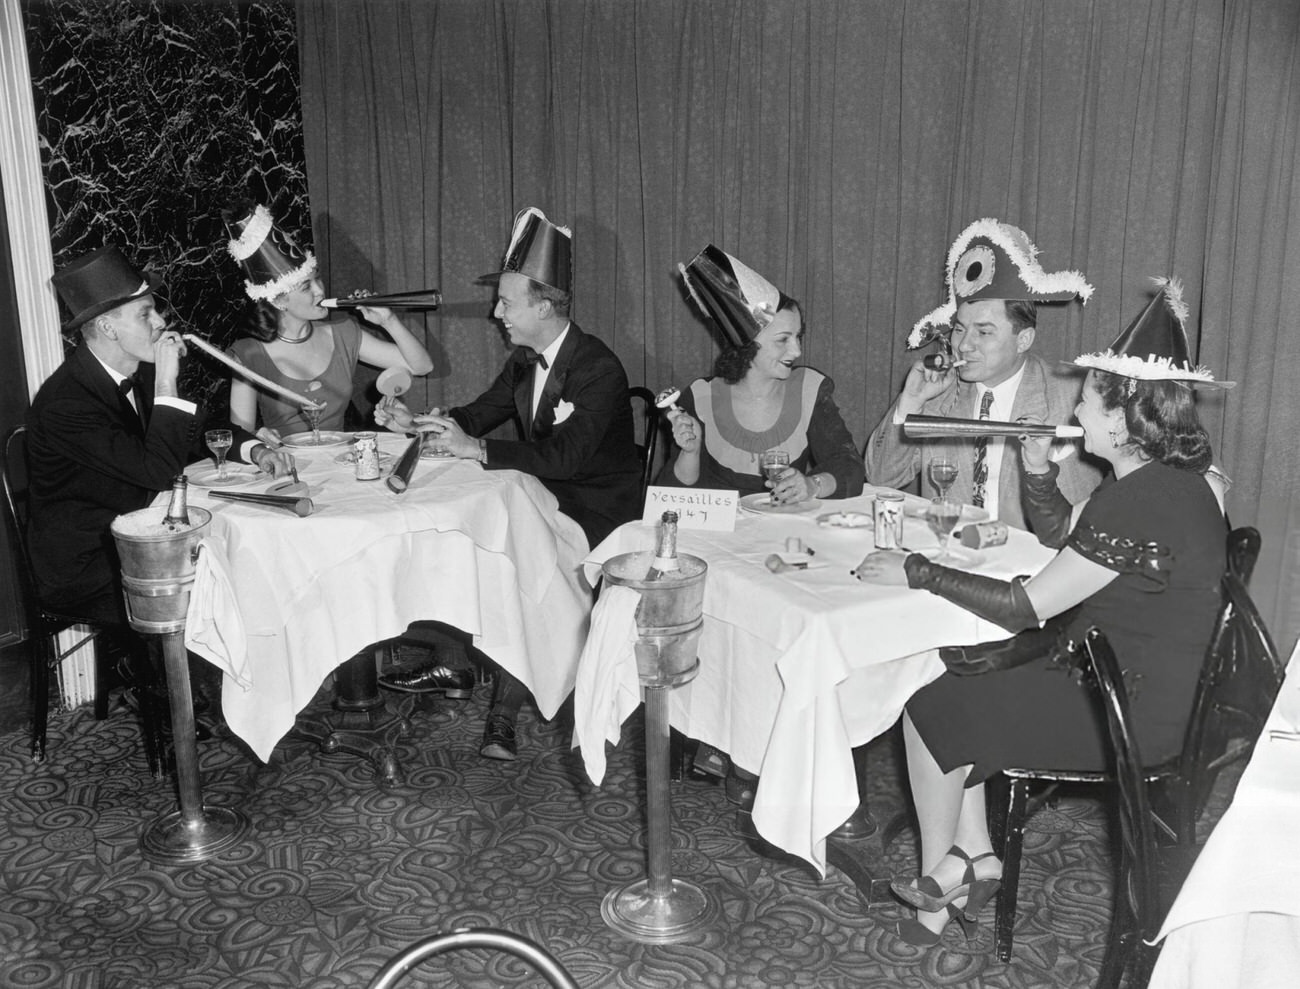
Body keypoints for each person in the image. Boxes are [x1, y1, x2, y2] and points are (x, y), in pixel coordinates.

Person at [852, 277, 1232, 948]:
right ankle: (971, 857)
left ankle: (951, 878)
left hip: (1125, 711)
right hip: (1131, 679)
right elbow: (1063, 535)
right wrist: (1036, 474)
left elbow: (1027, 605)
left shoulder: (1138, 499)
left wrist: (916, 569)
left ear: (1121, 418)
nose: (1078, 412)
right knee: (955, 677)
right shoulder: (1162, 481)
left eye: (1087, 401)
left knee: (928, 700)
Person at [375, 206, 642, 761]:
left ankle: (498, 704)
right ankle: (466, 667)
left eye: (507, 302)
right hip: (546, 495)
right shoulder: (525, 361)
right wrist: (421, 424)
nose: (497, 313)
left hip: (599, 510)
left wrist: (478, 450)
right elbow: (477, 415)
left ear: (544, 306)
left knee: (513, 552)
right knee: (486, 533)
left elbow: (566, 457)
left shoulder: (599, 368)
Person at [27, 245, 295, 625]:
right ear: (108, 328)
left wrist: (254, 450)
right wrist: (168, 380)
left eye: (155, 309)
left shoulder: (142, 370)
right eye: (145, 314)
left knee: (254, 556)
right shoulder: (66, 403)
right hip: (90, 559)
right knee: (221, 582)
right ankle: (179, 684)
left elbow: (200, 427)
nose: (160, 321)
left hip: (148, 531)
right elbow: (156, 470)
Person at [864, 218, 1102, 530]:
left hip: (1030, 559)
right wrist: (910, 403)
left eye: (984, 332)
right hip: (951, 549)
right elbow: (881, 478)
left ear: (1023, 339)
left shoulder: (1072, 398)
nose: (963, 345)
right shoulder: (940, 393)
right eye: (959, 329)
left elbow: (1088, 508)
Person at [656, 245, 865, 506]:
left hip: (788, 537)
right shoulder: (700, 397)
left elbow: (850, 467)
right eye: (783, 340)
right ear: (748, 345)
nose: (797, 350)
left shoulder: (809, 389)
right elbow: (671, 500)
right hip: (720, 541)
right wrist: (691, 452)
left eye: (798, 337)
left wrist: (813, 484)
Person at [222, 202, 433, 439]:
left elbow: (421, 366)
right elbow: (240, 434)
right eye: (306, 287)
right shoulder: (248, 354)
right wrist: (257, 438)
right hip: (286, 465)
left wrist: (388, 319)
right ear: (279, 300)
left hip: (342, 463)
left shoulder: (344, 333)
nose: (320, 291)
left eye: (318, 279)